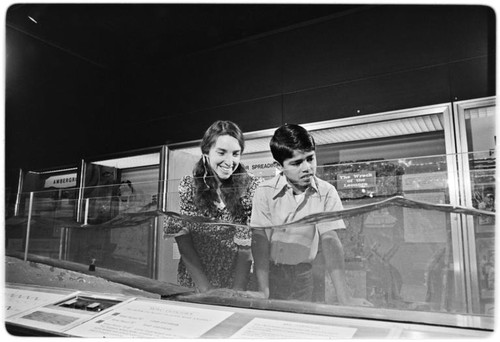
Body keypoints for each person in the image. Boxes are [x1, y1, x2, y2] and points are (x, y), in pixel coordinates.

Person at [250, 123, 371, 305]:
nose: (307, 167)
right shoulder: (264, 191)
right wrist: (263, 290)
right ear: (279, 165)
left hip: (304, 275)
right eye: (297, 163)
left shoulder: (327, 192)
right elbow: (260, 240)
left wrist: (344, 297)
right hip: (269, 273)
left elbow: (330, 240)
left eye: (310, 158)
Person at [164, 120, 262, 292]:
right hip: (196, 278)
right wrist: (205, 289)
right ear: (206, 152)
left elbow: (246, 248)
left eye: (236, 154)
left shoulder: (251, 186)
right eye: (222, 152)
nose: (229, 161)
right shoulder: (189, 186)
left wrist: (236, 292)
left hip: (237, 277)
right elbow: (183, 242)